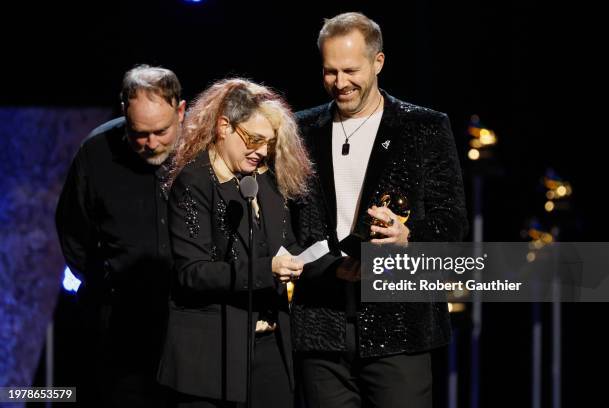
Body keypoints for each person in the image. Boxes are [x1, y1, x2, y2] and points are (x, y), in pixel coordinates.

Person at [290, 12, 468, 408]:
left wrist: (409, 237)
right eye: (330, 71)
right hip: (322, 324)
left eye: (350, 70)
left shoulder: (423, 127)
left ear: (378, 62)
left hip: (400, 325)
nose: (340, 83)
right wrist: (326, 266)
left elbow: (451, 221)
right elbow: (287, 223)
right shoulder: (300, 131)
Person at [157, 78, 312, 408]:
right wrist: (266, 270)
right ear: (224, 127)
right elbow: (192, 273)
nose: (261, 152)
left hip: (269, 347)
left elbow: (287, 244)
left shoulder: (265, 179)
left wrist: (314, 259)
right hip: (212, 356)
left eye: (268, 144)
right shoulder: (194, 181)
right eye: (253, 140)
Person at [55, 64, 186, 407]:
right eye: (139, 133)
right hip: (122, 322)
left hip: (192, 321)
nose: (150, 143)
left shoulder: (204, 150)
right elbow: (73, 229)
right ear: (124, 111)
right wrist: (106, 282)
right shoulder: (96, 151)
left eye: (161, 131)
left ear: (181, 110)